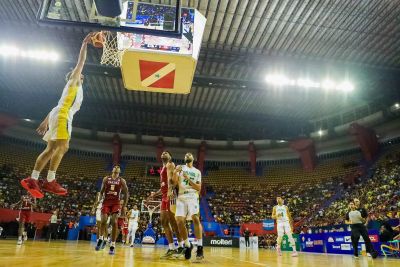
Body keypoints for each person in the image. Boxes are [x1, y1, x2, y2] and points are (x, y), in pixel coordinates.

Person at [20, 32, 95, 198]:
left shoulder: (72, 89)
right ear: (74, 75)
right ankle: (50, 181)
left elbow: (57, 106)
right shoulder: (74, 80)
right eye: (78, 73)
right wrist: (84, 43)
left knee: (50, 149)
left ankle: (33, 179)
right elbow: (81, 62)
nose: (81, 74)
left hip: (58, 114)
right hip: (62, 115)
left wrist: (45, 122)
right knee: (63, 146)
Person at [147, 151, 183, 259]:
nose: (163, 153)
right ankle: (172, 248)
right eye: (162, 153)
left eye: (166, 153)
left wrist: (170, 192)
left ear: (170, 157)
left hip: (170, 196)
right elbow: (163, 185)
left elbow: (171, 182)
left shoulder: (170, 165)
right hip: (164, 196)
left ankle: (181, 246)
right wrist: (155, 194)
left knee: (173, 222)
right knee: (164, 222)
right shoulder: (162, 168)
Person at [172, 152, 204, 261]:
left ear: (193, 158)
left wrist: (188, 179)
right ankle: (188, 245)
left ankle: (200, 247)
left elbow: (198, 188)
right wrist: (175, 172)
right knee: (179, 221)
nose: (187, 155)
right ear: (184, 158)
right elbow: (173, 183)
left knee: (195, 218)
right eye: (185, 155)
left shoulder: (197, 172)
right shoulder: (180, 168)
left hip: (192, 195)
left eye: (189, 154)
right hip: (181, 196)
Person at [93, 165, 129, 255]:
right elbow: (101, 192)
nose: (116, 168)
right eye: (115, 167)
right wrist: (98, 201)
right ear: (112, 170)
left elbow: (126, 193)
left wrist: (124, 206)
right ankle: (101, 239)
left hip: (116, 203)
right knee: (103, 221)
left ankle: (112, 245)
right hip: (106, 202)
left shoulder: (122, 180)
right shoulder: (106, 179)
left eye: (118, 167)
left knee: (114, 222)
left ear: (120, 171)